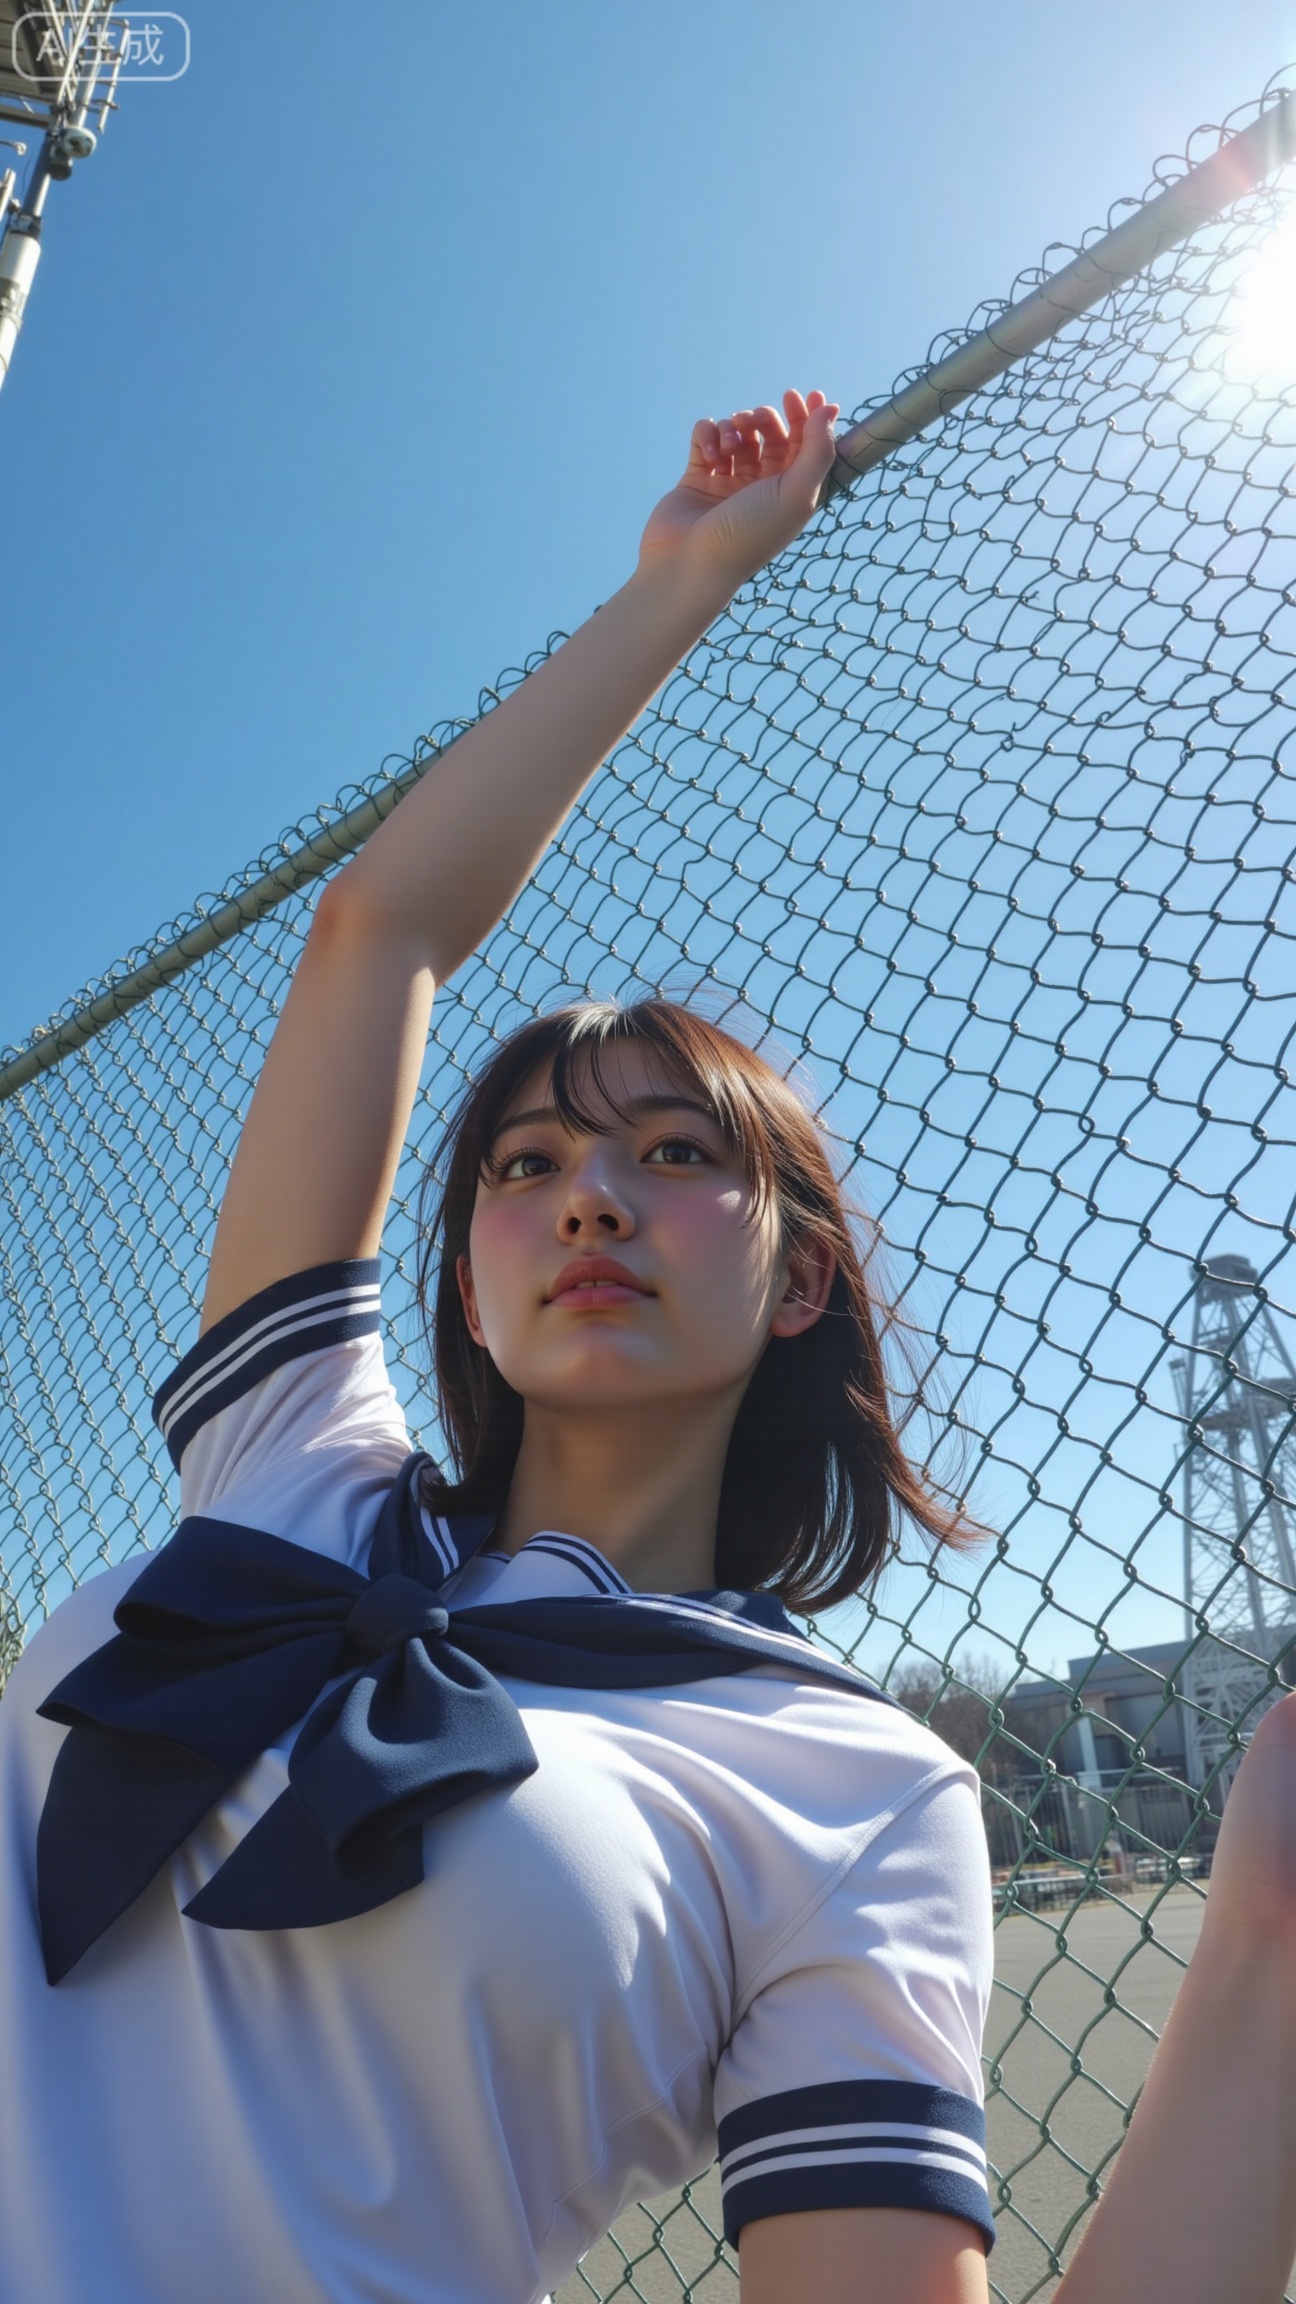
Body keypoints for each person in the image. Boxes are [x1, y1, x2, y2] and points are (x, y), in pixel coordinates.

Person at [0, 392, 1292, 2304]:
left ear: (795, 1284)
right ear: (462, 1278)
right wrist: (680, 582)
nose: (589, 1199)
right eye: (527, 1167)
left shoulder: (851, 1784)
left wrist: (1270, 1945)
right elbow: (375, 934)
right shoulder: (296, 1460)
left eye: (674, 1157)